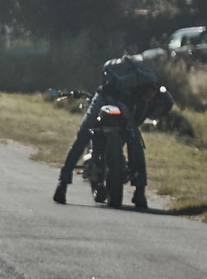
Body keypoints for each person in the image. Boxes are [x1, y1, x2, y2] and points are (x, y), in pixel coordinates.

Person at [53, 55, 175, 211]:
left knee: (82, 137)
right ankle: (140, 191)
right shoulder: (142, 91)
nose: (149, 96)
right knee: (135, 141)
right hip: (121, 105)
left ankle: (62, 184)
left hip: (102, 99)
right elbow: (136, 118)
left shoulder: (127, 84)